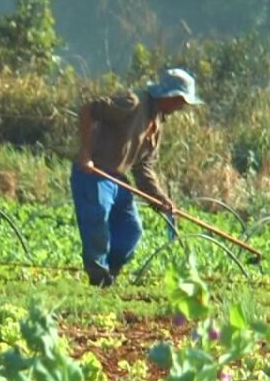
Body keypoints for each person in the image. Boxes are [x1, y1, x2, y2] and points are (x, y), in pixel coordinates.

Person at [71, 68, 202, 287]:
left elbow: (143, 168)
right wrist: (85, 151)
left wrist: (159, 198)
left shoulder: (157, 124)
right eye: (181, 101)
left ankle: (108, 274)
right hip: (94, 173)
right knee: (98, 220)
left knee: (132, 230)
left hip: (118, 178)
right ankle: (97, 276)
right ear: (170, 96)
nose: (181, 108)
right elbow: (88, 110)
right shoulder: (132, 103)